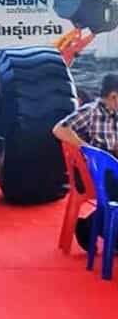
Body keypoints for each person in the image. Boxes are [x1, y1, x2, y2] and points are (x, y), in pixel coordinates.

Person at [53, 73, 118, 246]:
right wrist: (86, 148)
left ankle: (90, 227)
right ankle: (100, 229)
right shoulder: (91, 112)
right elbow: (59, 130)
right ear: (113, 96)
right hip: (92, 172)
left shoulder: (115, 115)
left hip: (110, 169)